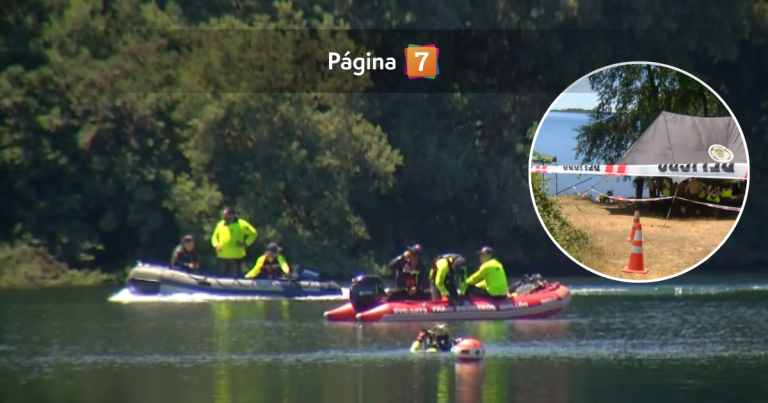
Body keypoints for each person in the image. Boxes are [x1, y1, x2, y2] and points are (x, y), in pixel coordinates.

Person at [211, 207, 258, 277]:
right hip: (222, 256)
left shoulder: (241, 224)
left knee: (235, 278)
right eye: (224, 214)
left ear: (232, 215)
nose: (224, 216)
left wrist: (245, 243)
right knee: (221, 277)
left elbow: (253, 233)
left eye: (226, 215)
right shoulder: (220, 224)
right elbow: (214, 237)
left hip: (236, 257)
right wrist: (216, 245)